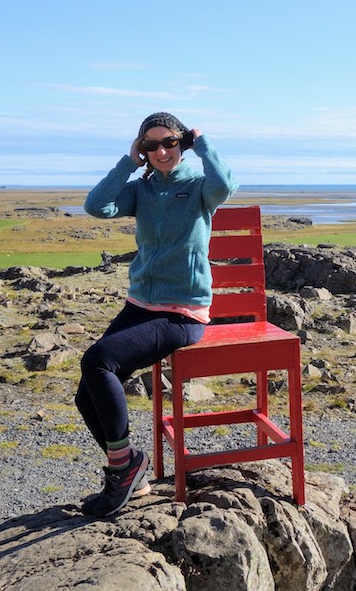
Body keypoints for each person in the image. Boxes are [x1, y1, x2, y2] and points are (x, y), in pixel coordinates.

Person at [75, 111, 238, 517]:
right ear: (143, 149)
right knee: (85, 394)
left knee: (98, 362)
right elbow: (97, 206)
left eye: (169, 142)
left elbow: (226, 185)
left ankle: (123, 471)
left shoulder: (200, 188)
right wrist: (128, 163)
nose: (162, 151)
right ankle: (133, 471)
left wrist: (203, 145)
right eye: (151, 145)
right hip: (140, 305)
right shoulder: (141, 190)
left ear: (181, 145)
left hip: (182, 313)